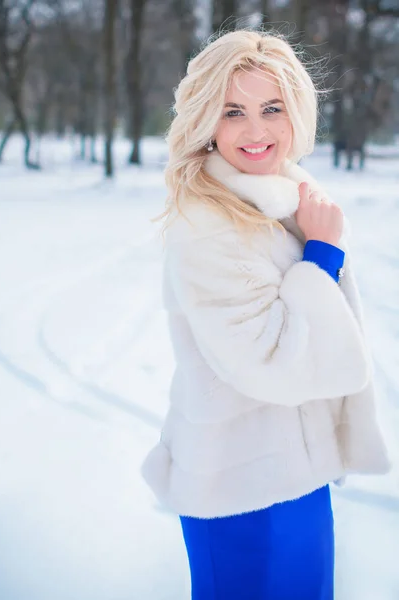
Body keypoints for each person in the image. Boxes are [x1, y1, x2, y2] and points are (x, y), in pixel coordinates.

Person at [141, 29, 390, 600]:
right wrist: (321, 258)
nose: (256, 131)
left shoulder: (284, 194)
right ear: (206, 120)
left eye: (271, 108)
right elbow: (268, 359)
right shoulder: (206, 223)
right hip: (237, 486)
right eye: (233, 112)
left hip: (297, 476)